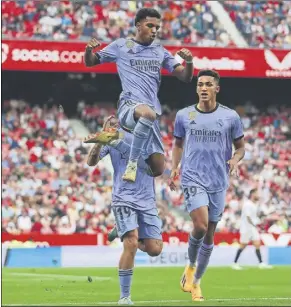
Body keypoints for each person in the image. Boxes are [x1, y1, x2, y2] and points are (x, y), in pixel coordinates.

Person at [84, 8, 193, 182]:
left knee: (157, 168)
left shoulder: (160, 51)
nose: (154, 30)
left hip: (151, 112)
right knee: (147, 113)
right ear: (138, 25)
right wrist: (89, 51)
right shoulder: (121, 46)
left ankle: (114, 142)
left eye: (157, 27)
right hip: (129, 106)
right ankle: (132, 164)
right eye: (150, 25)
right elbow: (90, 62)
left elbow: (186, 77)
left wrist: (188, 62)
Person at [169, 69, 245, 301]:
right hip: (192, 177)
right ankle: (190, 266)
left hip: (218, 180)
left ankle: (197, 283)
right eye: (200, 84)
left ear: (216, 88)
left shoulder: (231, 117)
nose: (203, 88)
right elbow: (178, 144)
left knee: (210, 234)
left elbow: (240, 147)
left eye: (208, 84)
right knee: (200, 227)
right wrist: (174, 167)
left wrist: (235, 159)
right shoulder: (184, 115)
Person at [85, 117, 163, 305]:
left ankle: (119, 228)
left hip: (147, 199)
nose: (113, 125)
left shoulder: (146, 136)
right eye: (109, 123)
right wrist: (99, 141)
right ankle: (125, 296)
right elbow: (91, 162)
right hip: (123, 197)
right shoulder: (111, 139)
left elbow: (154, 166)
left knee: (154, 249)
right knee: (131, 243)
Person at [232, 189, 273, 270]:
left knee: (257, 243)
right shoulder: (248, 204)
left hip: (252, 228)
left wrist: (258, 221)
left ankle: (261, 263)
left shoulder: (255, 204)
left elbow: (254, 217)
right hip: (246, 228)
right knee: (243, 245)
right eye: (257, 193)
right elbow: (248, 217)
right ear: (252, 194)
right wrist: (255, 224)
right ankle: (235, 263)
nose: (258, 195)